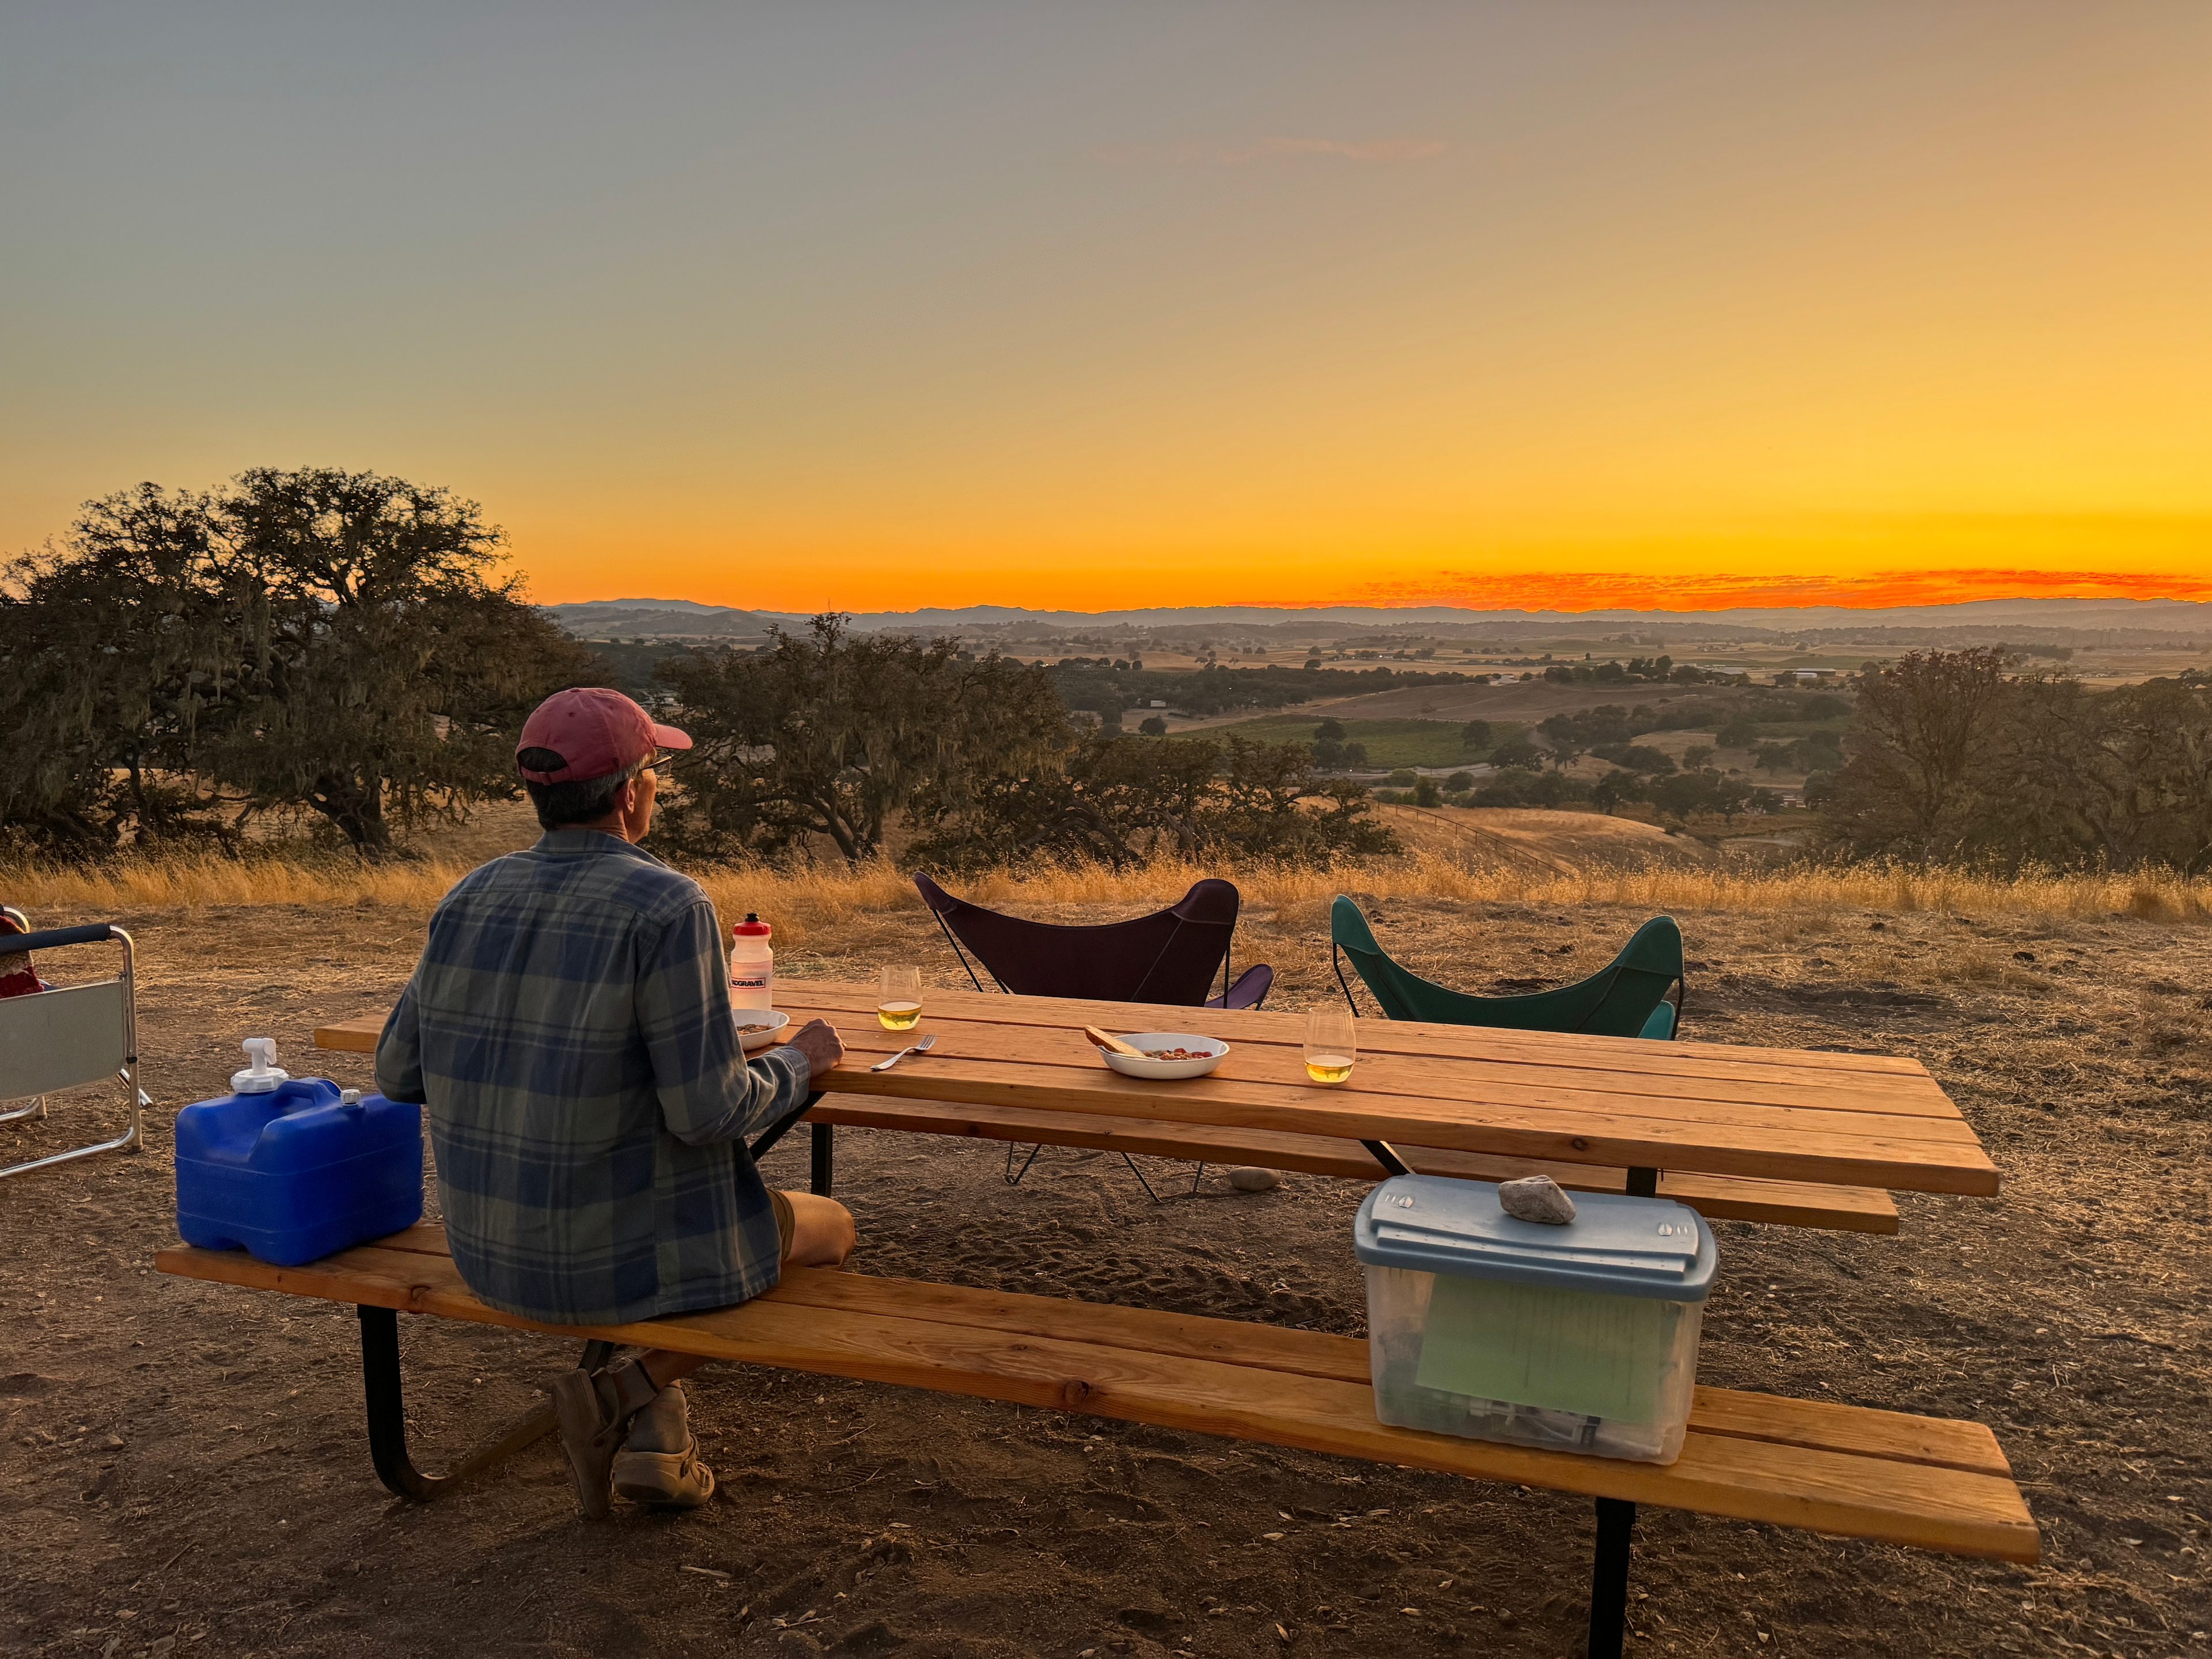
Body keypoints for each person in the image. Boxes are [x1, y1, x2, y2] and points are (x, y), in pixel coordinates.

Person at [374, 686, 852, 1517]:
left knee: (656, 1217)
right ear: (633, 791)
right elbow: (707, 1113)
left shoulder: (469, 895)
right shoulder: (666, 903)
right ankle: (632, 1385)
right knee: (833, 1229)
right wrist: (801, 1067)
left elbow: (396, 1072)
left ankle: (658, 1438)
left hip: (489, 1248)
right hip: (611, 1257)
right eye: (657, 772)